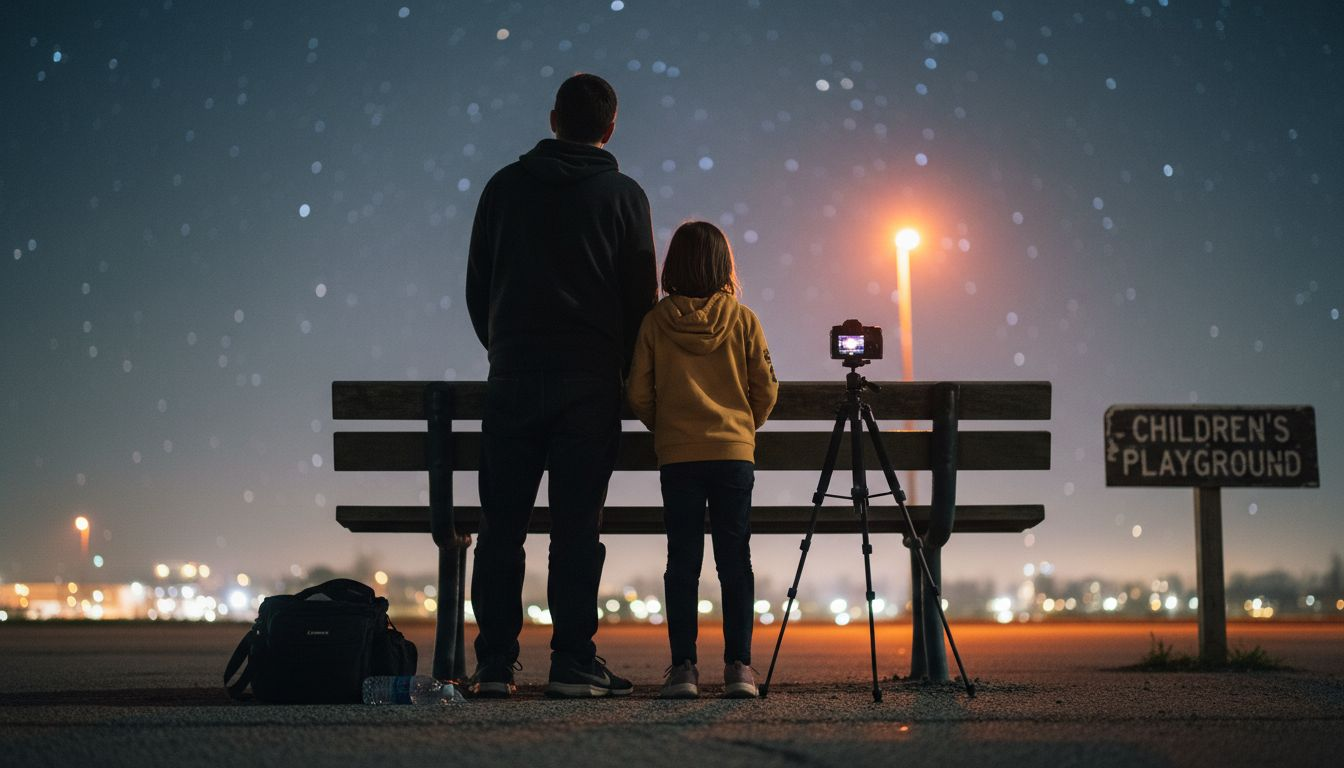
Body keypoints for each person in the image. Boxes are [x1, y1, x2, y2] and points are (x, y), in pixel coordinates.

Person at [465, 73, 657, 698]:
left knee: (502, 528)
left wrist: (506, 348)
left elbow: (477, 289)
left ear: (553, 120)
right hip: (589, 385)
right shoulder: (624, 197)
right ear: (609, 128)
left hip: (514, 377)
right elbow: (640, 302)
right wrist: (615, 365)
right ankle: (573, 659)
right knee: (577, 529)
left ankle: (494, 662)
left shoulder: (502, 188)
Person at [626, 221, 778, 699]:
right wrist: (741, 428)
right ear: (723, 265)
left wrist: (668, 430)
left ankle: (685, 669)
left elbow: (636, 392)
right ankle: (739, 669)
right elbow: (766, 390)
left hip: (679, 458)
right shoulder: (744, 319)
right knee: (736, 559)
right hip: (733, 456)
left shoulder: (654, 322)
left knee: (683, 560)